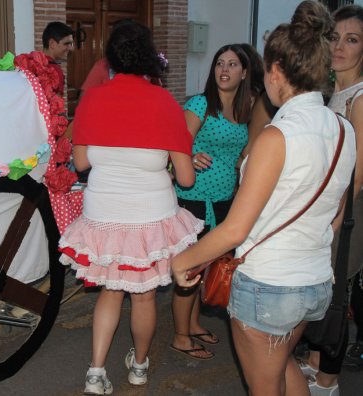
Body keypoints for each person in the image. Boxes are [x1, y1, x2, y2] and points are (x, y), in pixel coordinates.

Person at [171, 1, 357, 395]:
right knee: (283, 367)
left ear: (275, 72)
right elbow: (337, 214)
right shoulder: (343, 128)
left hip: (270, 286)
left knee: (264, 386)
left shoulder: (277, 136)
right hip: (315, 280)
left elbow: (236, 228)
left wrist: (184, 260)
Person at [58, 21, 203, 395]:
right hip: (150, 216)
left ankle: (95, 372)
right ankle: (139, 367)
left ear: (112, 56)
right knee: (143, 295)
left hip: (104, 213)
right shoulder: (166, 104)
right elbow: (186, 179)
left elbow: (82, 164)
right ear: (148, 55)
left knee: (110, 291)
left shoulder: (91, 99)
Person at [170, 43, 252, 360]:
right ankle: (179, 335)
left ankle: (191, 324)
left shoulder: (243, 111)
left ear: (244, 73)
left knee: (205, 268)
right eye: (220, 63)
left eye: (232, 64)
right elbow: (175, 144)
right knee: (190, 269)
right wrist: (190, 154)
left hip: (224, 201)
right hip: (194, 200)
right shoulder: (201, 104)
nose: (224, 70)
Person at [297, 4, 363, 395]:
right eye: (334, 37)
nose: (340, 46)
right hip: (328, 210)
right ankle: (317, 362)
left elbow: (358, 175)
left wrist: (333, 220)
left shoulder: (359, 97)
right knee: (326, 290)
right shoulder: (331, 92)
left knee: (338, 294)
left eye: (352, 40)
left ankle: (328, 382)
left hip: (348, 213)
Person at [42, 21, 74, 95]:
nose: (71, 48)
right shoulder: (54, 70)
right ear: (52, 43)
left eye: (71, 44)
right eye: (66, 43)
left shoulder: (32, 63)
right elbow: (56, 105)